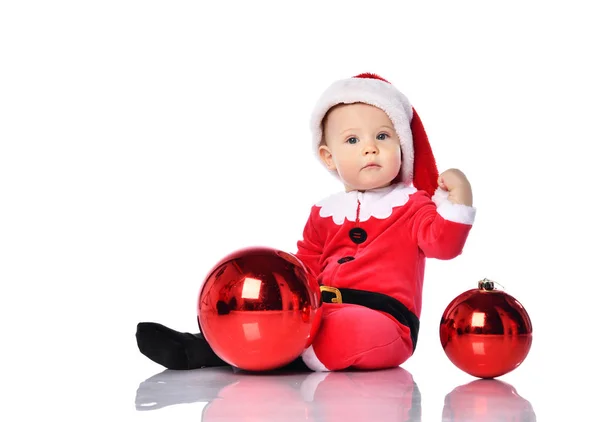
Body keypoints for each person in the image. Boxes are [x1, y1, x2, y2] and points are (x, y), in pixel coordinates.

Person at [136, 72, 476, 372]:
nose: (370, 148)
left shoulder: (413, 205)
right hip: (321, 309)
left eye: (383, 137)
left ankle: (262, 353)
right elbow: (306, 268)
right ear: (329, 157)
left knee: (343, 330)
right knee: (269, 301)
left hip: (386, 322)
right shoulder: (324, 212)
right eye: (353, 140)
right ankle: (204, 344)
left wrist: (458, 196)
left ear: (402, 145)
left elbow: (443, 245)